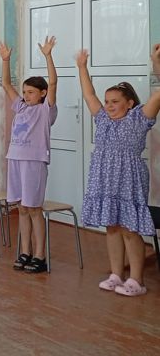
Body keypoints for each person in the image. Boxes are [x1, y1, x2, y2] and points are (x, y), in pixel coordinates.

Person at [77, 46, 160, 296]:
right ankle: (116, 274)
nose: (109, 106)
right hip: (103, 178)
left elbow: (159, 94)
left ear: (130, 103)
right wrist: (82, 67)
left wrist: (156, 63)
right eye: (107, 101)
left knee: (129, 229)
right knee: (112, 226)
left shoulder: (139, 118)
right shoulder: (102, 119)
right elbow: (88, 93)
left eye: (115, 102)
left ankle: (136, 280)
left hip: (129, 179)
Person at [0, 38, 58, 273]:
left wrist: (48, 56)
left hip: (34, 162)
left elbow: (53, 82)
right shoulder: (21, 107)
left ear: (42, 93)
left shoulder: (45, 110)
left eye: (31, 92)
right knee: (21, 208)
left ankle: (40, 255)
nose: (26, 95)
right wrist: (6, 60)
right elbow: (5, 83)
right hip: (15, 159)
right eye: (24, 92)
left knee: (33, 208)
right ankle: (25, 251)